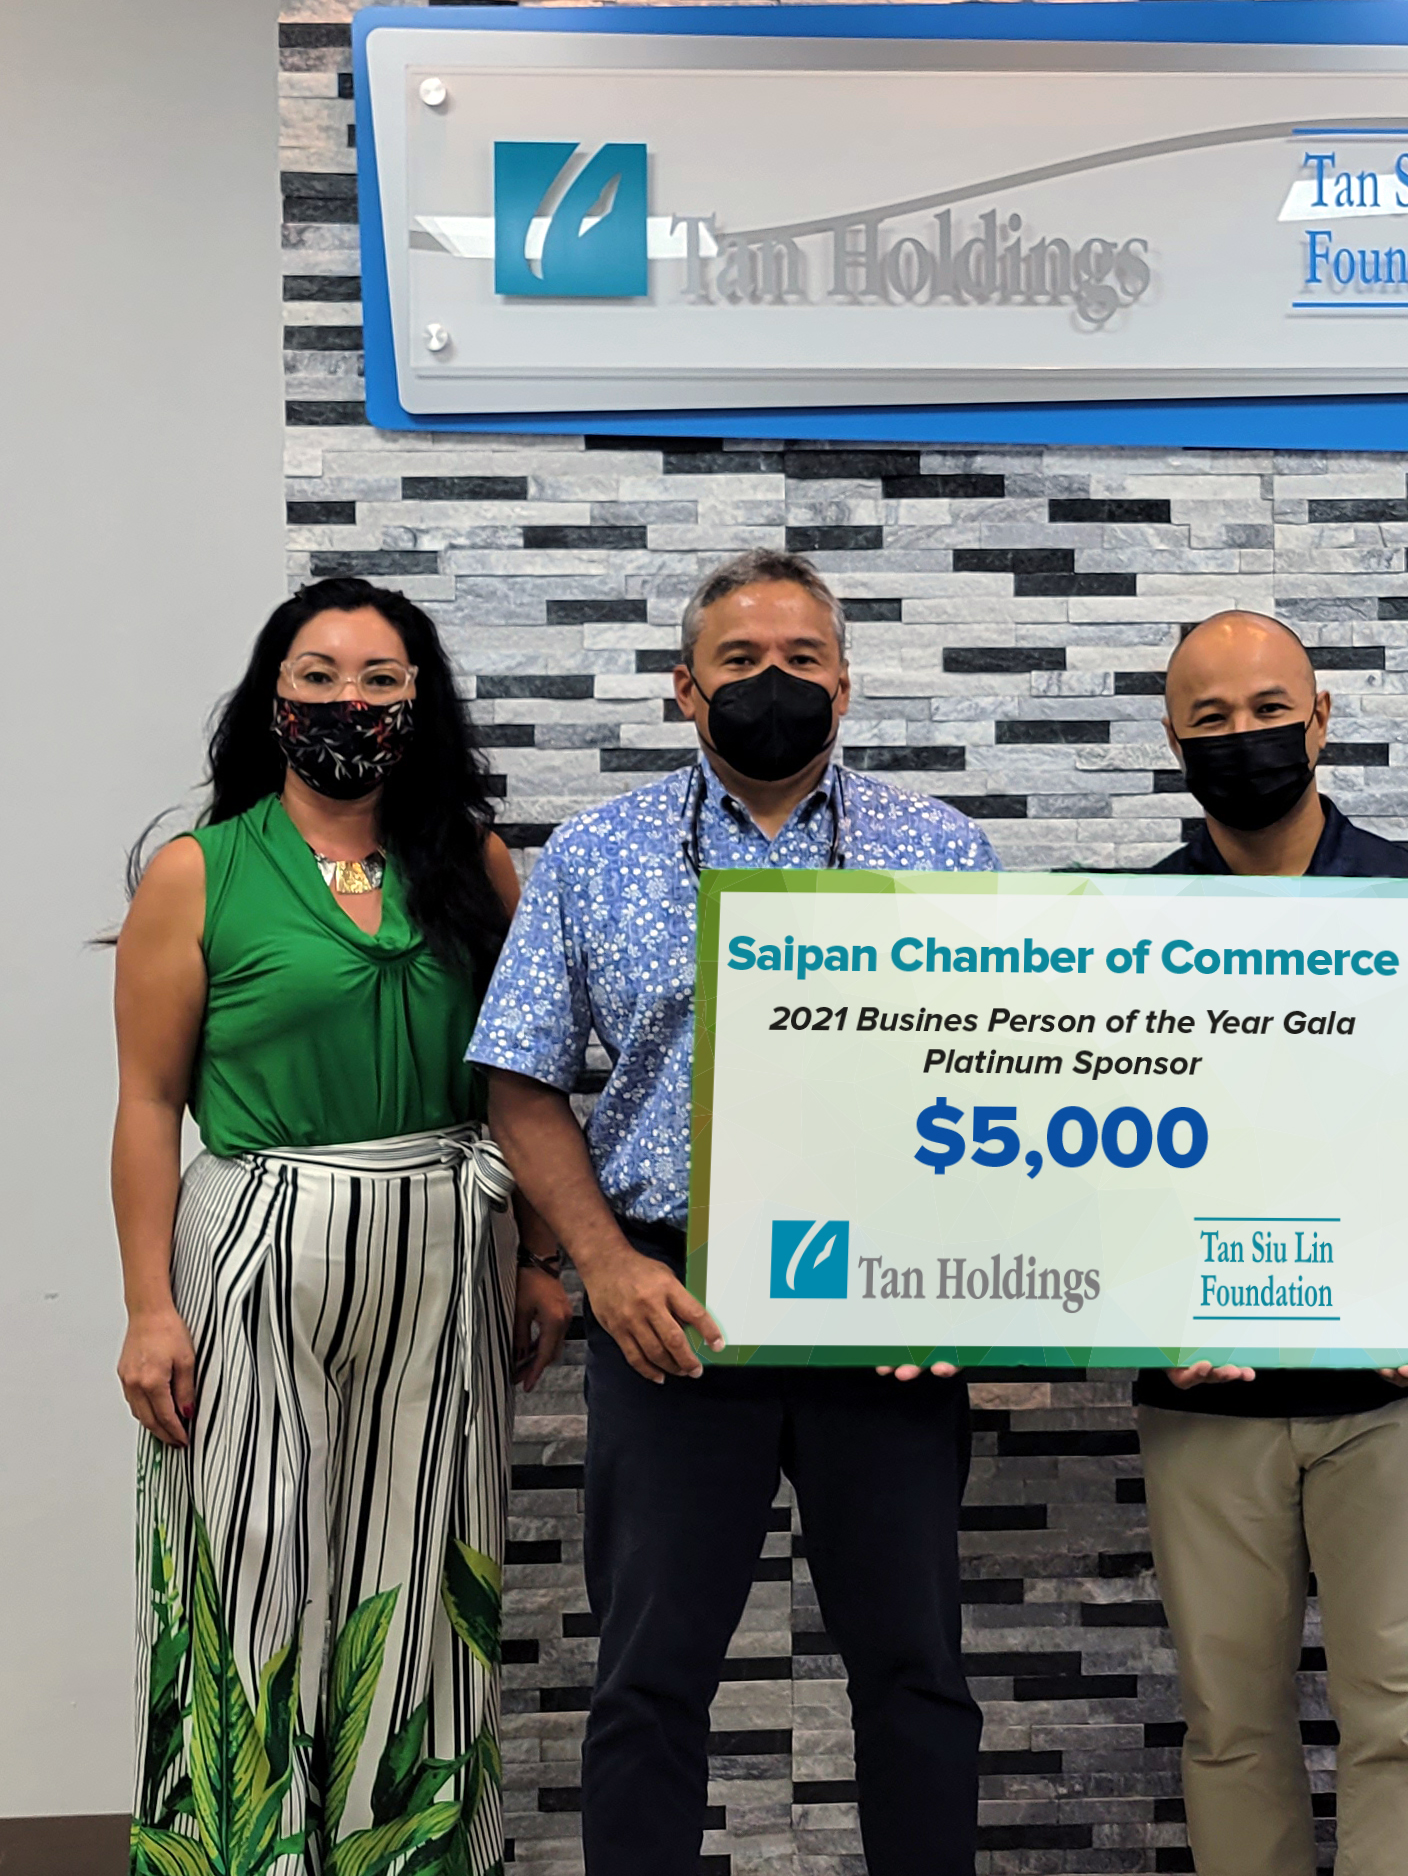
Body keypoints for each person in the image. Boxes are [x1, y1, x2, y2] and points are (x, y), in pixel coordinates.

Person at [468, 550, 999, 1876]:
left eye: (802, 661)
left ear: (847, 684)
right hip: (668, 1303)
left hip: (884, 1309)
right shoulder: (592, 856)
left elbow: (1004, 1076)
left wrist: (957, 1282)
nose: (775, 685)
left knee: (916, 1673)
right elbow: (517, 1082)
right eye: (742, 664)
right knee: (648, 1681)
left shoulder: (941, 849)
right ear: (682, 691)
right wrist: (600, 1266)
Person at [113, 577, 570, 1875]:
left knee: (425, 1568)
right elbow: (149, 1104)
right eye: (319, 675)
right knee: (253, 1566)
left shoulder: (474, 866)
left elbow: (517, 1080)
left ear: (419, 702)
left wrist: (539, 1257)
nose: (348, 703)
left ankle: (409, 1855)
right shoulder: (201, 871)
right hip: (261, 1239)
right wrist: (151, 1305)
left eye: (379, 678)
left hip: (446, 1243)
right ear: (273, 694)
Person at [1135, 611, 1408, 1876]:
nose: (1241, 738)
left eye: (1264, 709)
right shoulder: (1126, 930)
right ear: (1173, 739)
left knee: (1401, 1721)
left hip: (1391, 1392)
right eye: (1209, 719)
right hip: (1204, 1397)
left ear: (1319, 717)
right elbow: (1097, 1161)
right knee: (1228, 1729)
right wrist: (1145, 1313)